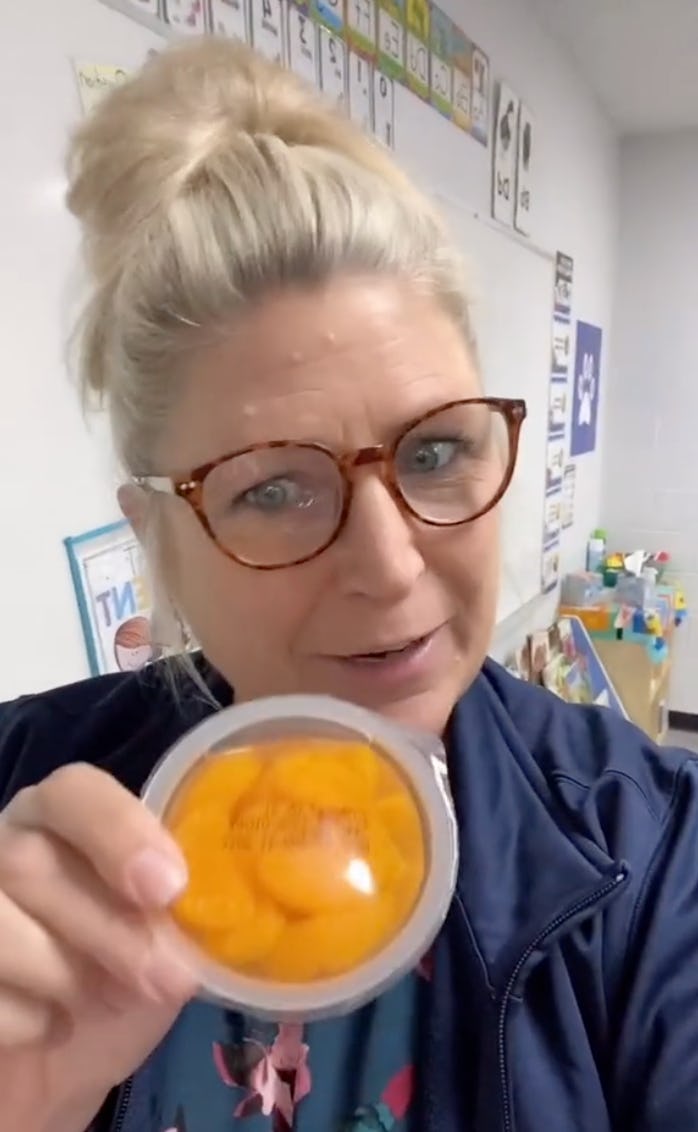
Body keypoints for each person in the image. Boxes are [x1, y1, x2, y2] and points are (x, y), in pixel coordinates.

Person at [0, 37, 696, 1132]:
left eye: (432, 454)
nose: (389, 562)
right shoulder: (16, 813)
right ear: (160, 540)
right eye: (273, 489)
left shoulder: (648, 860)